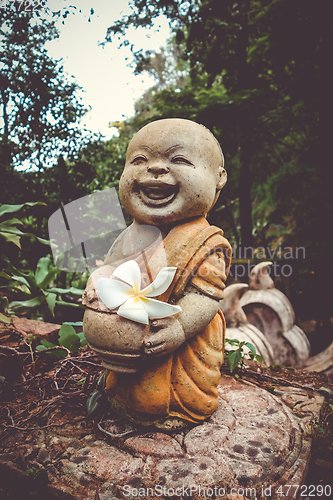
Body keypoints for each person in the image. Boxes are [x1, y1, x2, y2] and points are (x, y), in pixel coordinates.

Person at [83, 118, 231, 429]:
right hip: (130, 338)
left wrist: (179, 328)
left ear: (218, 179)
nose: (156, 169)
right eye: (140, 160)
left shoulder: (207, 242)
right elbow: (109, 267)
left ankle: (175, 410)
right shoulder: (132, 234)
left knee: (173, 389)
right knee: (127, 385)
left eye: (178, 160)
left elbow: (205, 297)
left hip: (183, 341)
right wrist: (96, 284)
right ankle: (121, 397)